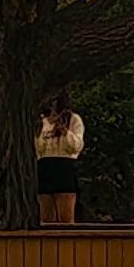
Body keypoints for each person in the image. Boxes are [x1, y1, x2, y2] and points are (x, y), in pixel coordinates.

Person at [34, 98, 87, 228]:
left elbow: (77, 146)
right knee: (46, 217)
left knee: (65, 217)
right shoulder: (42, 122)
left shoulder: (73, 119)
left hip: (64, 167)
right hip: (45, 167)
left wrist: (65, 132)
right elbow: (37, 149)